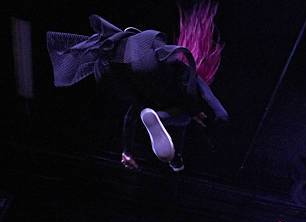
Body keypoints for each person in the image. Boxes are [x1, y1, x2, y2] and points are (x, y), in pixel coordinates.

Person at [47, 13, 228, 172]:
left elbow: (129, 119)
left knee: (167, 112)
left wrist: (127, 151)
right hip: (148, 68)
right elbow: (207, 96)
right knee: (182, 118)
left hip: (120, 69)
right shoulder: (186, 85)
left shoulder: (160, 78)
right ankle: (162, 124)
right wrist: (219, 114)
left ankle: (165, 134)